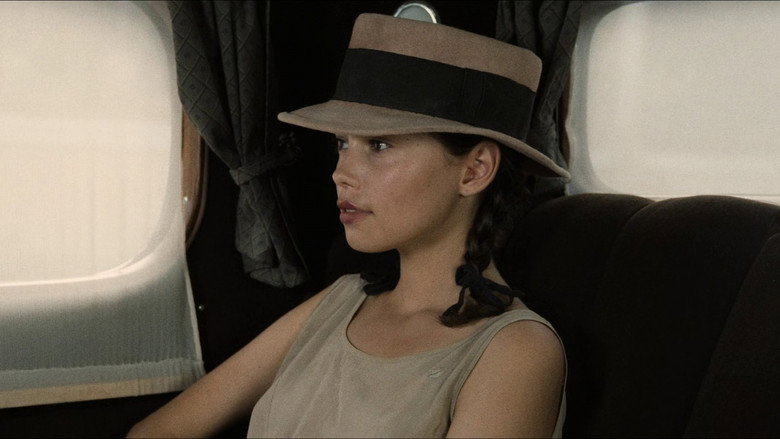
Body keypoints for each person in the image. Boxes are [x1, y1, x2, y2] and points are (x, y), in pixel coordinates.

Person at [128, 13, 569, 438]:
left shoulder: (516, 351)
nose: (341, 173)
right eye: (342, 143)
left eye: (379, 145)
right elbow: (160, 430)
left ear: (475, 170)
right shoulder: (340, 301)